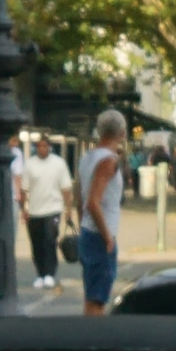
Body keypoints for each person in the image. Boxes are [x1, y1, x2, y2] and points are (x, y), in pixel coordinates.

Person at [74, 109, 127, 317]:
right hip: (100, 235)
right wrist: (107, 237)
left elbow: (81, 200)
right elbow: (93, 203)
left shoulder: (87, 158)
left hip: (88, 232)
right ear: (121, 133)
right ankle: (94, 343)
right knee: (97, 301)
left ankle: (87, 341)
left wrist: (82, 225)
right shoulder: (108, 162)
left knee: (91, 296)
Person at [19, 132, 74, 291]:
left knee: (50, 240)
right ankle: (40, 273)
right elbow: (24, 189)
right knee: (37, 243)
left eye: (45, 146)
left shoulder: (59, 164)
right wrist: (24, 209)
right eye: (39, 146)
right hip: (35, 211)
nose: (42, 149)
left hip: (53, 209)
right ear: (36, 148)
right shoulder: (30, 165)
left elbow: (66, 188)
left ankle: (49, 273)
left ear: (49, 147)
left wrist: (68, 209)